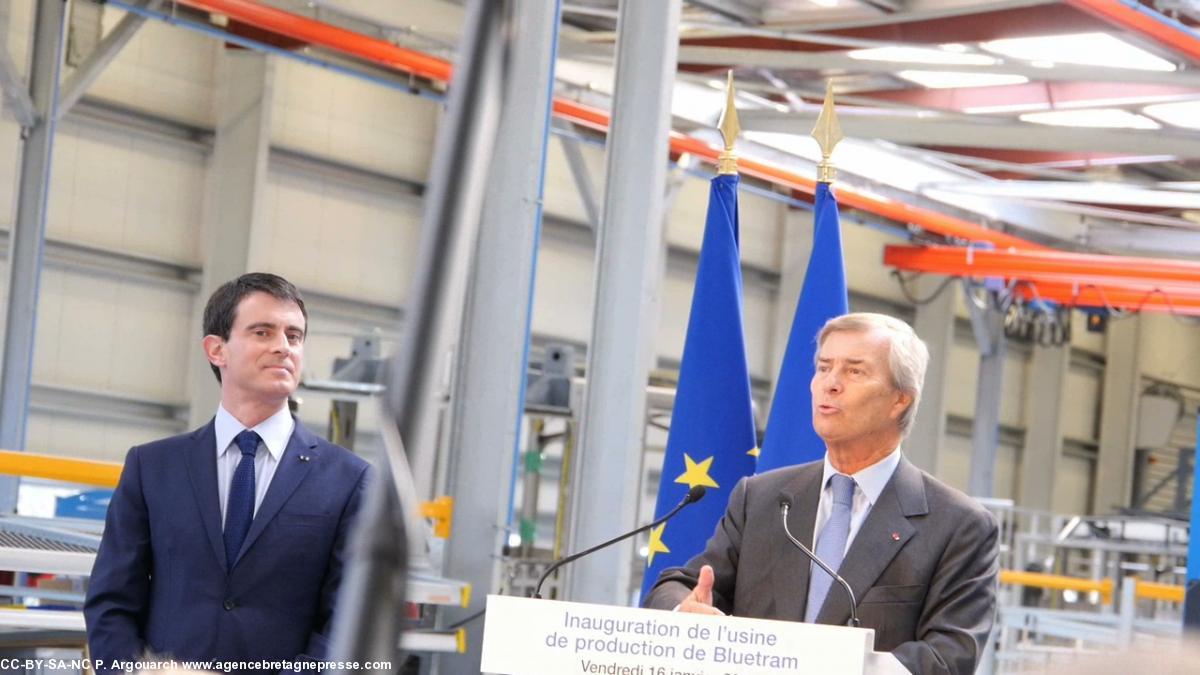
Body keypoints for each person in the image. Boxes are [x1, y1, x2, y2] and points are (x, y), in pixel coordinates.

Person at [643, 313, 998, 675]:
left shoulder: (959, 525)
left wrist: (829, 663)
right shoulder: (762, 498)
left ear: (899, 400)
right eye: (824, 367)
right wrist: (683, 612)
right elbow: (680, 584)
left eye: (854, 371)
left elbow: (948, 657)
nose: (830, 384)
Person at [85, 273, 370, 673]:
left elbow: (347, 621)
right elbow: (111, 599)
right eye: (262, 331)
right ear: (217, 349)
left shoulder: (349, 480)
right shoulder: (152, 468)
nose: (282, 347)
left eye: (294, 336)